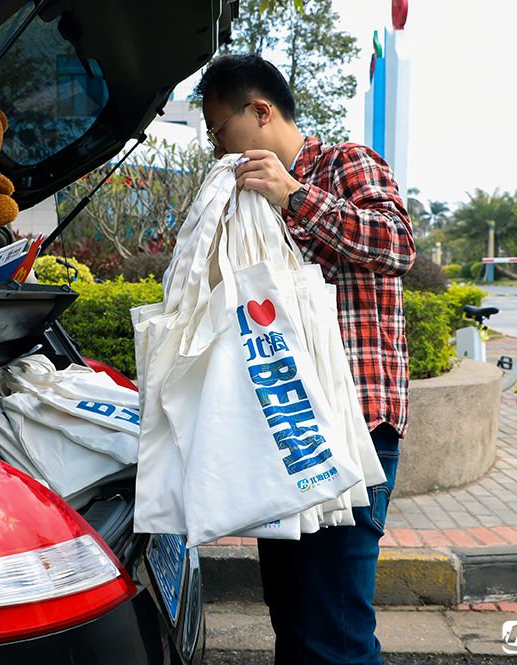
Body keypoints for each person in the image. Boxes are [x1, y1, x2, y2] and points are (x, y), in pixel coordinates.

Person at [196, 54, 415, 665]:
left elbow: (397, 245)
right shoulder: (250, 196)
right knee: (291, 617)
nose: (218, 149)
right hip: (287, 432)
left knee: (334, 630)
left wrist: (295, 196)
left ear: (260, 111)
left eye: (219, 130)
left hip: (353, 433)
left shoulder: (346, 162)